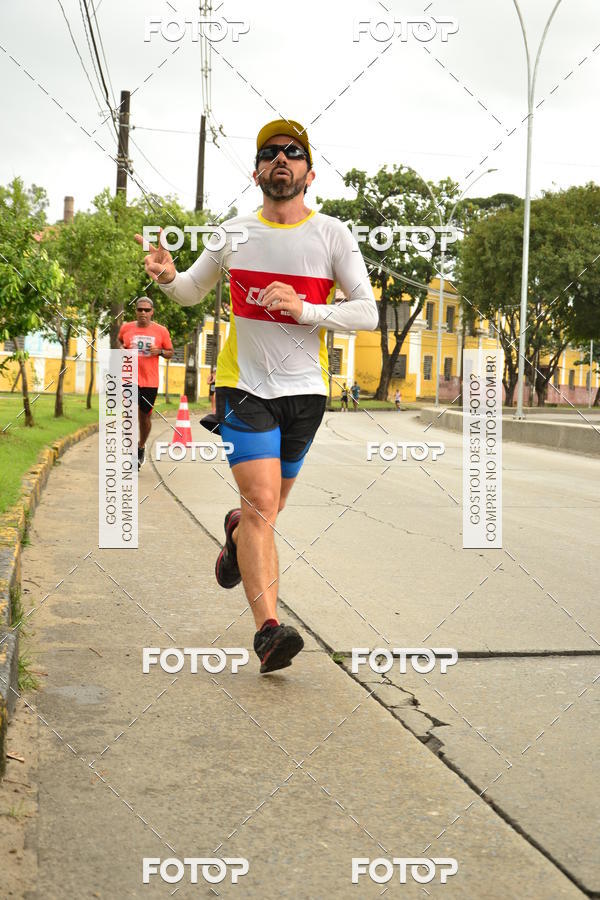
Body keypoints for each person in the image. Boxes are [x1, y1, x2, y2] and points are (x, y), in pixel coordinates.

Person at [135, 119, 378, 673]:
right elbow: (191, 291)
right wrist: (168, 277)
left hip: (306, 394)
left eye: (293, 152)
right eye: (270, 152)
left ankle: (234, 534)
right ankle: (269, 631)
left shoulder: (333, 235)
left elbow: (365, 311)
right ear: (256, 172)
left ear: (310, 174)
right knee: (262, 505)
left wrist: (306, 309)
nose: (281, 159)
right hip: (243, 387)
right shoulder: (232, 233)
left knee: (267, 510)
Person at [117, 298, 173, 470]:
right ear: (135, 311)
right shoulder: (126, 328)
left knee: (144, 417)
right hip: (129, 378)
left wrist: (160, 351)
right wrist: (121, 349)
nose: (143, 312)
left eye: (146, 310)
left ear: (152, 312)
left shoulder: (161, 331)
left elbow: (170, 352)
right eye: (140, 309)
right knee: (129, 414)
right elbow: (119, 341)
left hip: (150, 381)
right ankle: (132, 453)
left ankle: (141, 446)